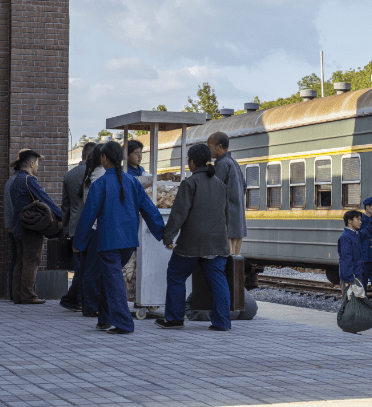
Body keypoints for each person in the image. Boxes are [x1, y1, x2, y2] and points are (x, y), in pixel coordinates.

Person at [75, 141, 164, 334]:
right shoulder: (132, 182)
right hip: (129, 241)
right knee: (110, 277)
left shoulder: (100, 184)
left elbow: (88, 215)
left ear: (104, 158)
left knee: (113, 280)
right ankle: (105, 319)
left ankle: (123, 323)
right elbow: (149, 209)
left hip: (108, 240)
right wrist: (163, 234)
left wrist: (79, 242)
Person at [157, 144, 232, 331]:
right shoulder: (220, 185)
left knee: (176, 274)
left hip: (191, 243)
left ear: (192, 162)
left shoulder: (190, 183)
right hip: (217, 243)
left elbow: (178, 214)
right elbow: (227, 216)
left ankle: (174, 318)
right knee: (218, 281)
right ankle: (222, 322)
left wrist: (168, 237)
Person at [10, 149, 62, 304]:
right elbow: (46, 199)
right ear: (32, 163)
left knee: (20, 261)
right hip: (30, 228)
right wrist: (62, 216)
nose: (38, 167)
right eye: (37, 163)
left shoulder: (15, 180)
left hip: (18, 227)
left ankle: (17, 295)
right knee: (32, 260)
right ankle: (28, 296)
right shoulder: (29, 180)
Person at [59, 141, 96, 312]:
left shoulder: (69, 174)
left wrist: (65, 228)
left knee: (80, 265)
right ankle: (75, 299)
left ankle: (74, 299)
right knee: (87, 267)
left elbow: (65, 206)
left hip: (75, 226)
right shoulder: (95, 174)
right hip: (91, 227)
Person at [75, 144, 107, 317]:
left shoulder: (91, 174)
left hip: (90, 228)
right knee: (93, 270)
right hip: (97, 227)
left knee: (88, 268)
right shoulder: (102, 176)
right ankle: (92, 306)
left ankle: (89, 305)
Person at [208, 132, 246, 256]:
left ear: (219, 146)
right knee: (236, 257)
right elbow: (244, 186)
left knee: (227, 257)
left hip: (227, 217)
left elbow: (215, 189)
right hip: (238, 218)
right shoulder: (234, 162)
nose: (209, 150)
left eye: (210, 146)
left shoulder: (221, 164)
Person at [3, 165, 19, 300]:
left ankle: (12, 292)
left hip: (10, 225)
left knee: (15, 258)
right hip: (16, 226)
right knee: (18, 259)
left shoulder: (10, 180)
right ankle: (14, 292)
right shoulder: (18, 181)